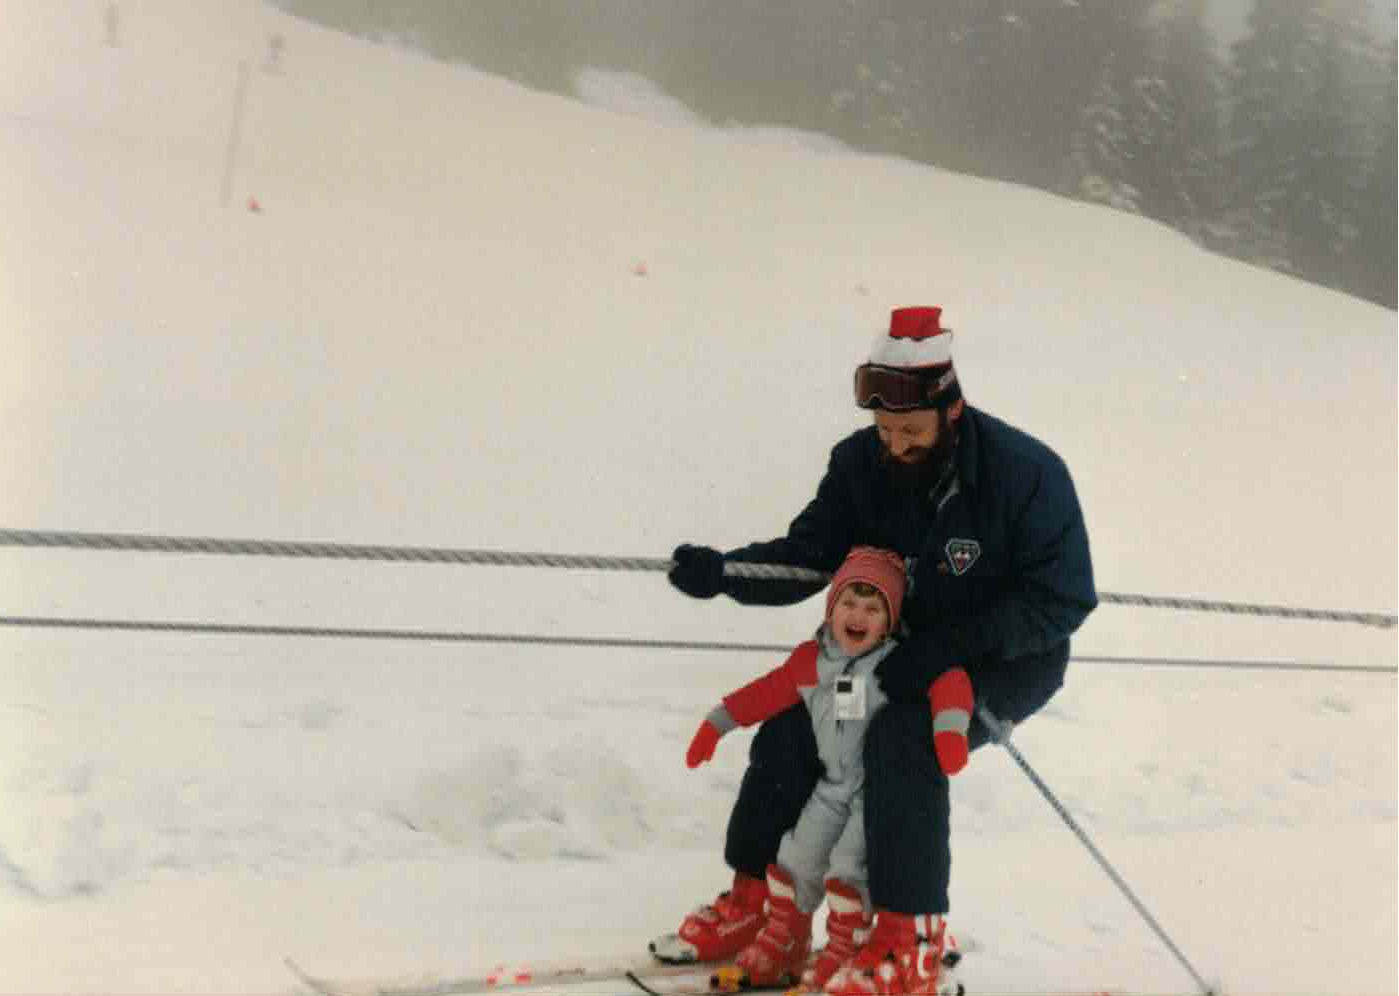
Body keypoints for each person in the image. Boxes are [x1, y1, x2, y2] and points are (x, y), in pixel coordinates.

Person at [655, 306, 1097, 995]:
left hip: (1001, 661)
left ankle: (908, 935)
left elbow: (1062, 601)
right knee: (792, 730)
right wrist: (725, 574)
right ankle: (762, 902)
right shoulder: (860, 461)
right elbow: (810, 558)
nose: (893, 445)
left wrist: (949, 644)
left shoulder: (1025, 474)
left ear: (950, 410)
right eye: (883, 430)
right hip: (879, 658)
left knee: (902, 739)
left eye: (909, 431)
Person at [681, 546, 976, 992]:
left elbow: (949, 680)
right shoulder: (812, 661)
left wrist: (950, 733)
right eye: (849, 604)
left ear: (890, 619)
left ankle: (845, 952)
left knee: (847, 871)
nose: (859, 616)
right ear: (831, 607)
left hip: (871, 794)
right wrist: (717, 724)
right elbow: (767, 691)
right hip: (832, 786)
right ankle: (786, 942)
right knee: (793, 858)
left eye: (873, 607)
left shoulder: (896, 662)